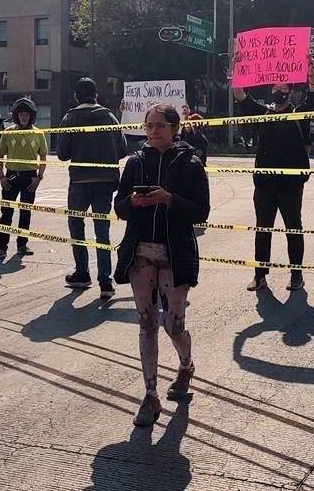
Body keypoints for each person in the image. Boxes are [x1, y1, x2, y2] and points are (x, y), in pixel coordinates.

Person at [113, 104, 210, 426]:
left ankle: (186, 366)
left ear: (174, 129)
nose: (152, 131)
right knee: (145, 323)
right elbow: (120, 208)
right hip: (140, 253)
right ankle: (150, 394)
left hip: (175, 253)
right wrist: (132, 202)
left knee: (173, 325)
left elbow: (201, 212)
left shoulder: (191, 164)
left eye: (159, 126)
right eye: (148, 125)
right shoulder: (134, 163)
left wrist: (168, 199)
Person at [233, 55, 314, 292]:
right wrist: (238, 67)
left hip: (291, 185)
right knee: (263, 230)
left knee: (293, 228)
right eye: (275, 86)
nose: (278, 90)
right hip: (264, 185)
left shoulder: (299, 114)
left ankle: (296, 275)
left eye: (283, 87)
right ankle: (260, 275)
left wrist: (311, 73)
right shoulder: (263, 113)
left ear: (291, 92)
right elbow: (241, 95)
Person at [58, 78, 128, 299]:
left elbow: (62, 154)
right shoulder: (109, 117)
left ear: (76, 96)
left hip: (79, 181)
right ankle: (105, 282)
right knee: (102, 232)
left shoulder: (70, 118)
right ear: (96, 95)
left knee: (77, 228)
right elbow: (123, 150)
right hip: (105, 181)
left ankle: (82, 272)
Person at [0, 97, 47, 261]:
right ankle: (1, 246)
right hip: (11, 176)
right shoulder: (8, 133)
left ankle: (22, 244)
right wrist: (1, 177)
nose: (24, 117)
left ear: (31, 116)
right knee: (6, 213)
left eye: (26, 114)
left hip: (30, 178)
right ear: (16, 116)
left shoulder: (38, 133)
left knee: (25, 212)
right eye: (21, 114)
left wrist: (39, 178)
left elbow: (43, 157)